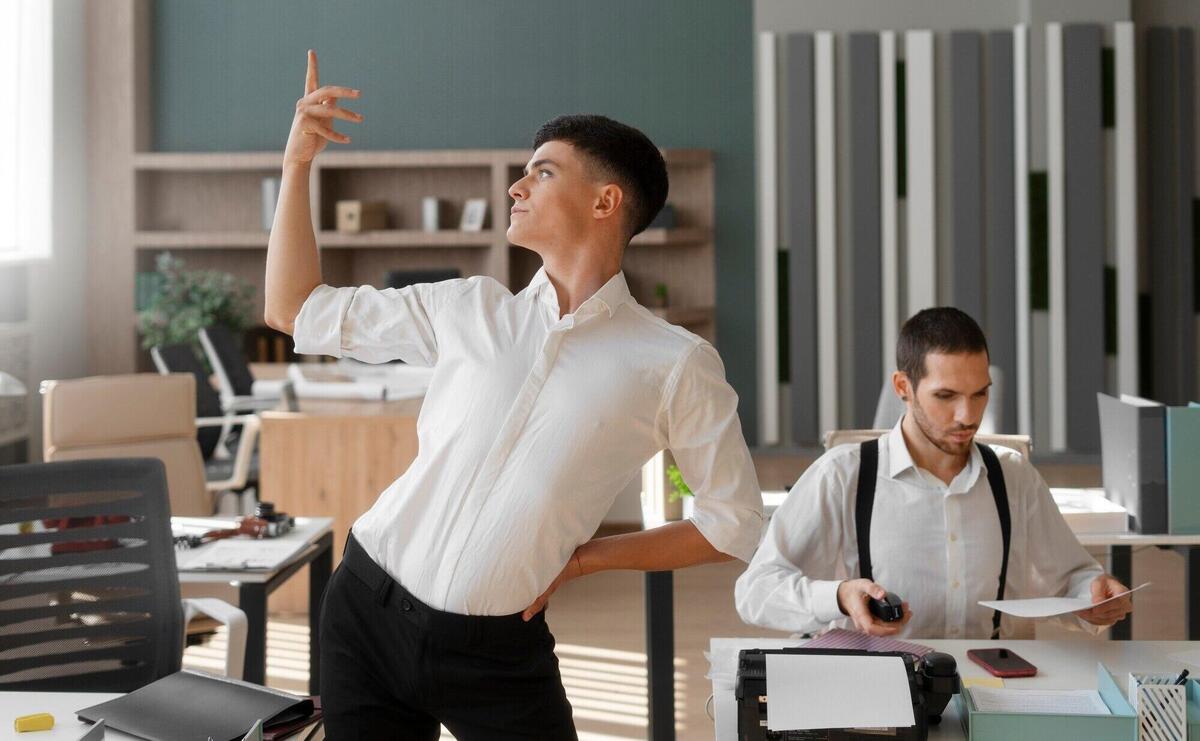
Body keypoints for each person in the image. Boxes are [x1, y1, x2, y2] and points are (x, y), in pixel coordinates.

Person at [264, 50, 763, 740]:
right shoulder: (467, 307)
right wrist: (297, 166)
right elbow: (294, 308)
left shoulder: (675, 362)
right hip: (366, 610)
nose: (515, 187)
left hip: (497, 652)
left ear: (605, 200)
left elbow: (732, 522)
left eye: (543, 170)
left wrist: (586, 559)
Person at [735, 307, 1132, 640]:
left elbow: (1073, 578)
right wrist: (837, 596)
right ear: (903, 387)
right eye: (946, 396)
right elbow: (755, 591)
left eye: (980, 394)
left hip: (994, 692)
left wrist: (1094, 595)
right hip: (882, 695)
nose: (968, 415)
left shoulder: (1013, 476)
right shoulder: (843, 475)